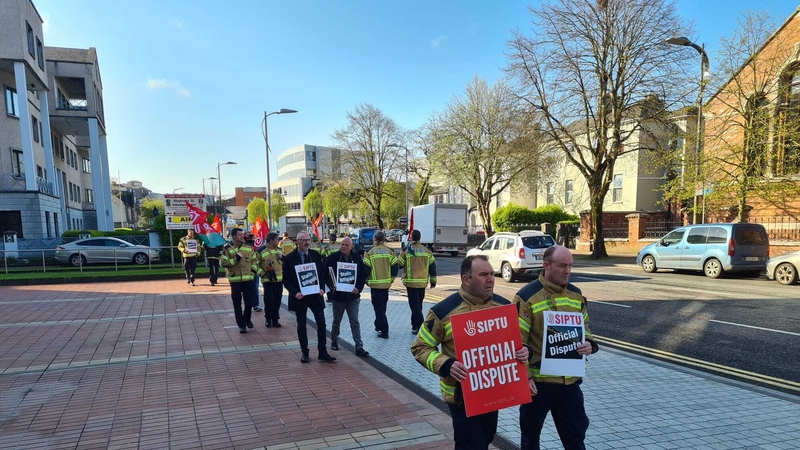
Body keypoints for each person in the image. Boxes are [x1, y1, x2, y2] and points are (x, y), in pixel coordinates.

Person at [411, 255, 529, 449]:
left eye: (491, 274)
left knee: (486, 438)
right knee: (470, 444)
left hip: (493, 392)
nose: (490, 279)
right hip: (461, 396)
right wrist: (446, 364)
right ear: (466, 279)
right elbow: (420, 347)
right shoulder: (443, 312)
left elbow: (518, 345)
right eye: (483, 274)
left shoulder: (505, 307)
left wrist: (525, 352)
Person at [514, 245, 598, 450]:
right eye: (562, 266)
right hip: (538, 385)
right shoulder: (526, 296)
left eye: (570, 266)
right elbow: (517, 342)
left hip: (570, 384)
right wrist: (525, 377)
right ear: (546, 266)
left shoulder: (576, 295)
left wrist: (590, 344)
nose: (567, 271)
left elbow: (586, 328)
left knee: (575, 438)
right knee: (530, 438)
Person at [283, 231, 336, 363]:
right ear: (297, 242)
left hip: (315, 296)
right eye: (304, 240)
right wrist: (295, 292)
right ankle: (304, 352)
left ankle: (322, 352)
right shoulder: (289, 258)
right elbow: (286, 280)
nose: (307, 242)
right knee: (301, 325)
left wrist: (323, 288)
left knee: (321, 323)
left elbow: (322, 273)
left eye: (308, 240)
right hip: (300, 297)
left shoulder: (315, 255)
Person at [325, 237, 370, 357]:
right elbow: (325, 275)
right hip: (338, 297)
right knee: (336, 321)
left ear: (351, 246)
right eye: (342, 244)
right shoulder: (333, 258)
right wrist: (330, 293)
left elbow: (363, 275)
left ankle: (359, 347)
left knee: (354, 321)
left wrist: (358, 288)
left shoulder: (356, 259)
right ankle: (334, 340)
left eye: (346, 245)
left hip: (353, 297)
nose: (343, 247)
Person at [397, 229, 437, 334]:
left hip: (411, 283)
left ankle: (421, 327)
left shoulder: (407, 249)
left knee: (414, 306)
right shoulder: (427, 251)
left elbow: (399, 265)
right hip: (422, 282)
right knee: (418, 305)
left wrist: (401, 253)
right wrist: (433, 281)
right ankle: (414, 326)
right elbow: (432, 267)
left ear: (411, 238)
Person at [220, 228, 258, 334]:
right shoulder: (227, 248)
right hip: (235, 280)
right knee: (237, 304)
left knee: (250, 302)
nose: (242, 236)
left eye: (243, 234)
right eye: (239, 235)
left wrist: (253, 271)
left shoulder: (249, 247)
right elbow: (223, 263)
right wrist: (235, 259)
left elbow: (254, 259)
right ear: (234, 236)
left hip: (248, 279)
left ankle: (247, 318)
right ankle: (241, 325)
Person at [363, 230, 398, 339]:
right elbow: (395, 268)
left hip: (375, 285)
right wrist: (391, 280)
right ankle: (378, 326)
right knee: (382, 308)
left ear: (375, 239)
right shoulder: (390, 251)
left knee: (378, 309)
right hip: (386, 285)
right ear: (383, 239)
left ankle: (384, 331)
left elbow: (366, 270)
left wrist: (366, 281)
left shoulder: (369, 252)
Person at [257, 232, 284, 328]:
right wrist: (263, 274)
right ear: (271, 240)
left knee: (277, 300)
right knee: (269, 300)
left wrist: (283, 258)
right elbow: (255, 265)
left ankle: (275, 319)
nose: (278, 241)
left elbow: (285, 263)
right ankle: (268, 319)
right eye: (277, 239)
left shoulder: (280, 250)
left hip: (279, 280)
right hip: (267, 281)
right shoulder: (260, 251)